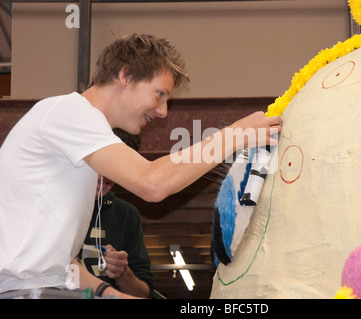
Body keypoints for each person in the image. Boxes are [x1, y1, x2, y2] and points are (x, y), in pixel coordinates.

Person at [0, 33, 281, 298]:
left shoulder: (80, 141)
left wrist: (109, 293)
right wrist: (235, 134)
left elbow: (60, 261)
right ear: (125, 75)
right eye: (159, 94)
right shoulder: (70, 113)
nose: (163, 111)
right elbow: (153, 182)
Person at [79, 128, 153, 298]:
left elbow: (145, 292)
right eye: (104, 163)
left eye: (119, 167)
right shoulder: (55, 202)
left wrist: (123, 274)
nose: (108, 174)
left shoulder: (126, 214)